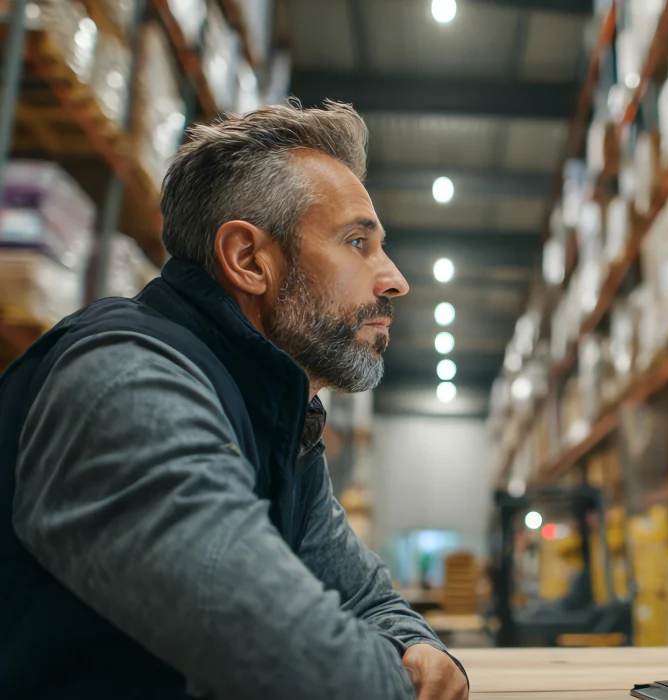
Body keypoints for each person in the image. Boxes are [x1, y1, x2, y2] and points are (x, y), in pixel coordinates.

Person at [0, 101, 468, 700]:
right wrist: (402, 676)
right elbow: (289, 662)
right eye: (358, 242)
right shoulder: (127, 381)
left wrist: (415, 646)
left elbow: (365, 597)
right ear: (249, 260)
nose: (394, 279)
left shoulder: (274, 418)